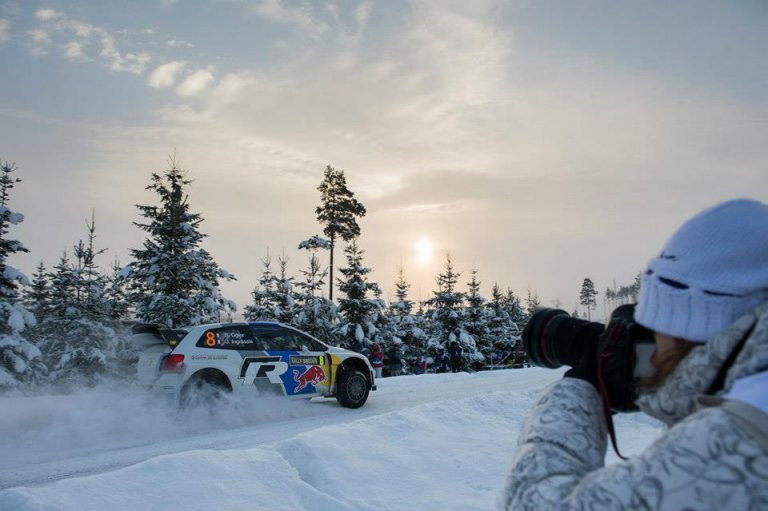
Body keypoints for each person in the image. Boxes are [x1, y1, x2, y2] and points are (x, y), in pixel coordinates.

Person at [500, 198, 768, 510]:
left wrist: (580, 387)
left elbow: (536, 504)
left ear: (690, 331)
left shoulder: (743, 434)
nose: (650, 352)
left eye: (654, 330)